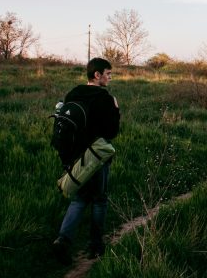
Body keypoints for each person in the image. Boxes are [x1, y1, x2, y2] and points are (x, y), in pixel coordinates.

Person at [52, 58, 120, 265]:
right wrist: (116, 110)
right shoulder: (105, 99)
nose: (110, 78)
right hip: (96, 158)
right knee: (99, 200)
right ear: (97, 75)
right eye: (108, 74)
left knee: (79, 199)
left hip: (75, 158)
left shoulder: (73, 93)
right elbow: (112, 132)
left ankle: (63, 240)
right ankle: (96, 245)